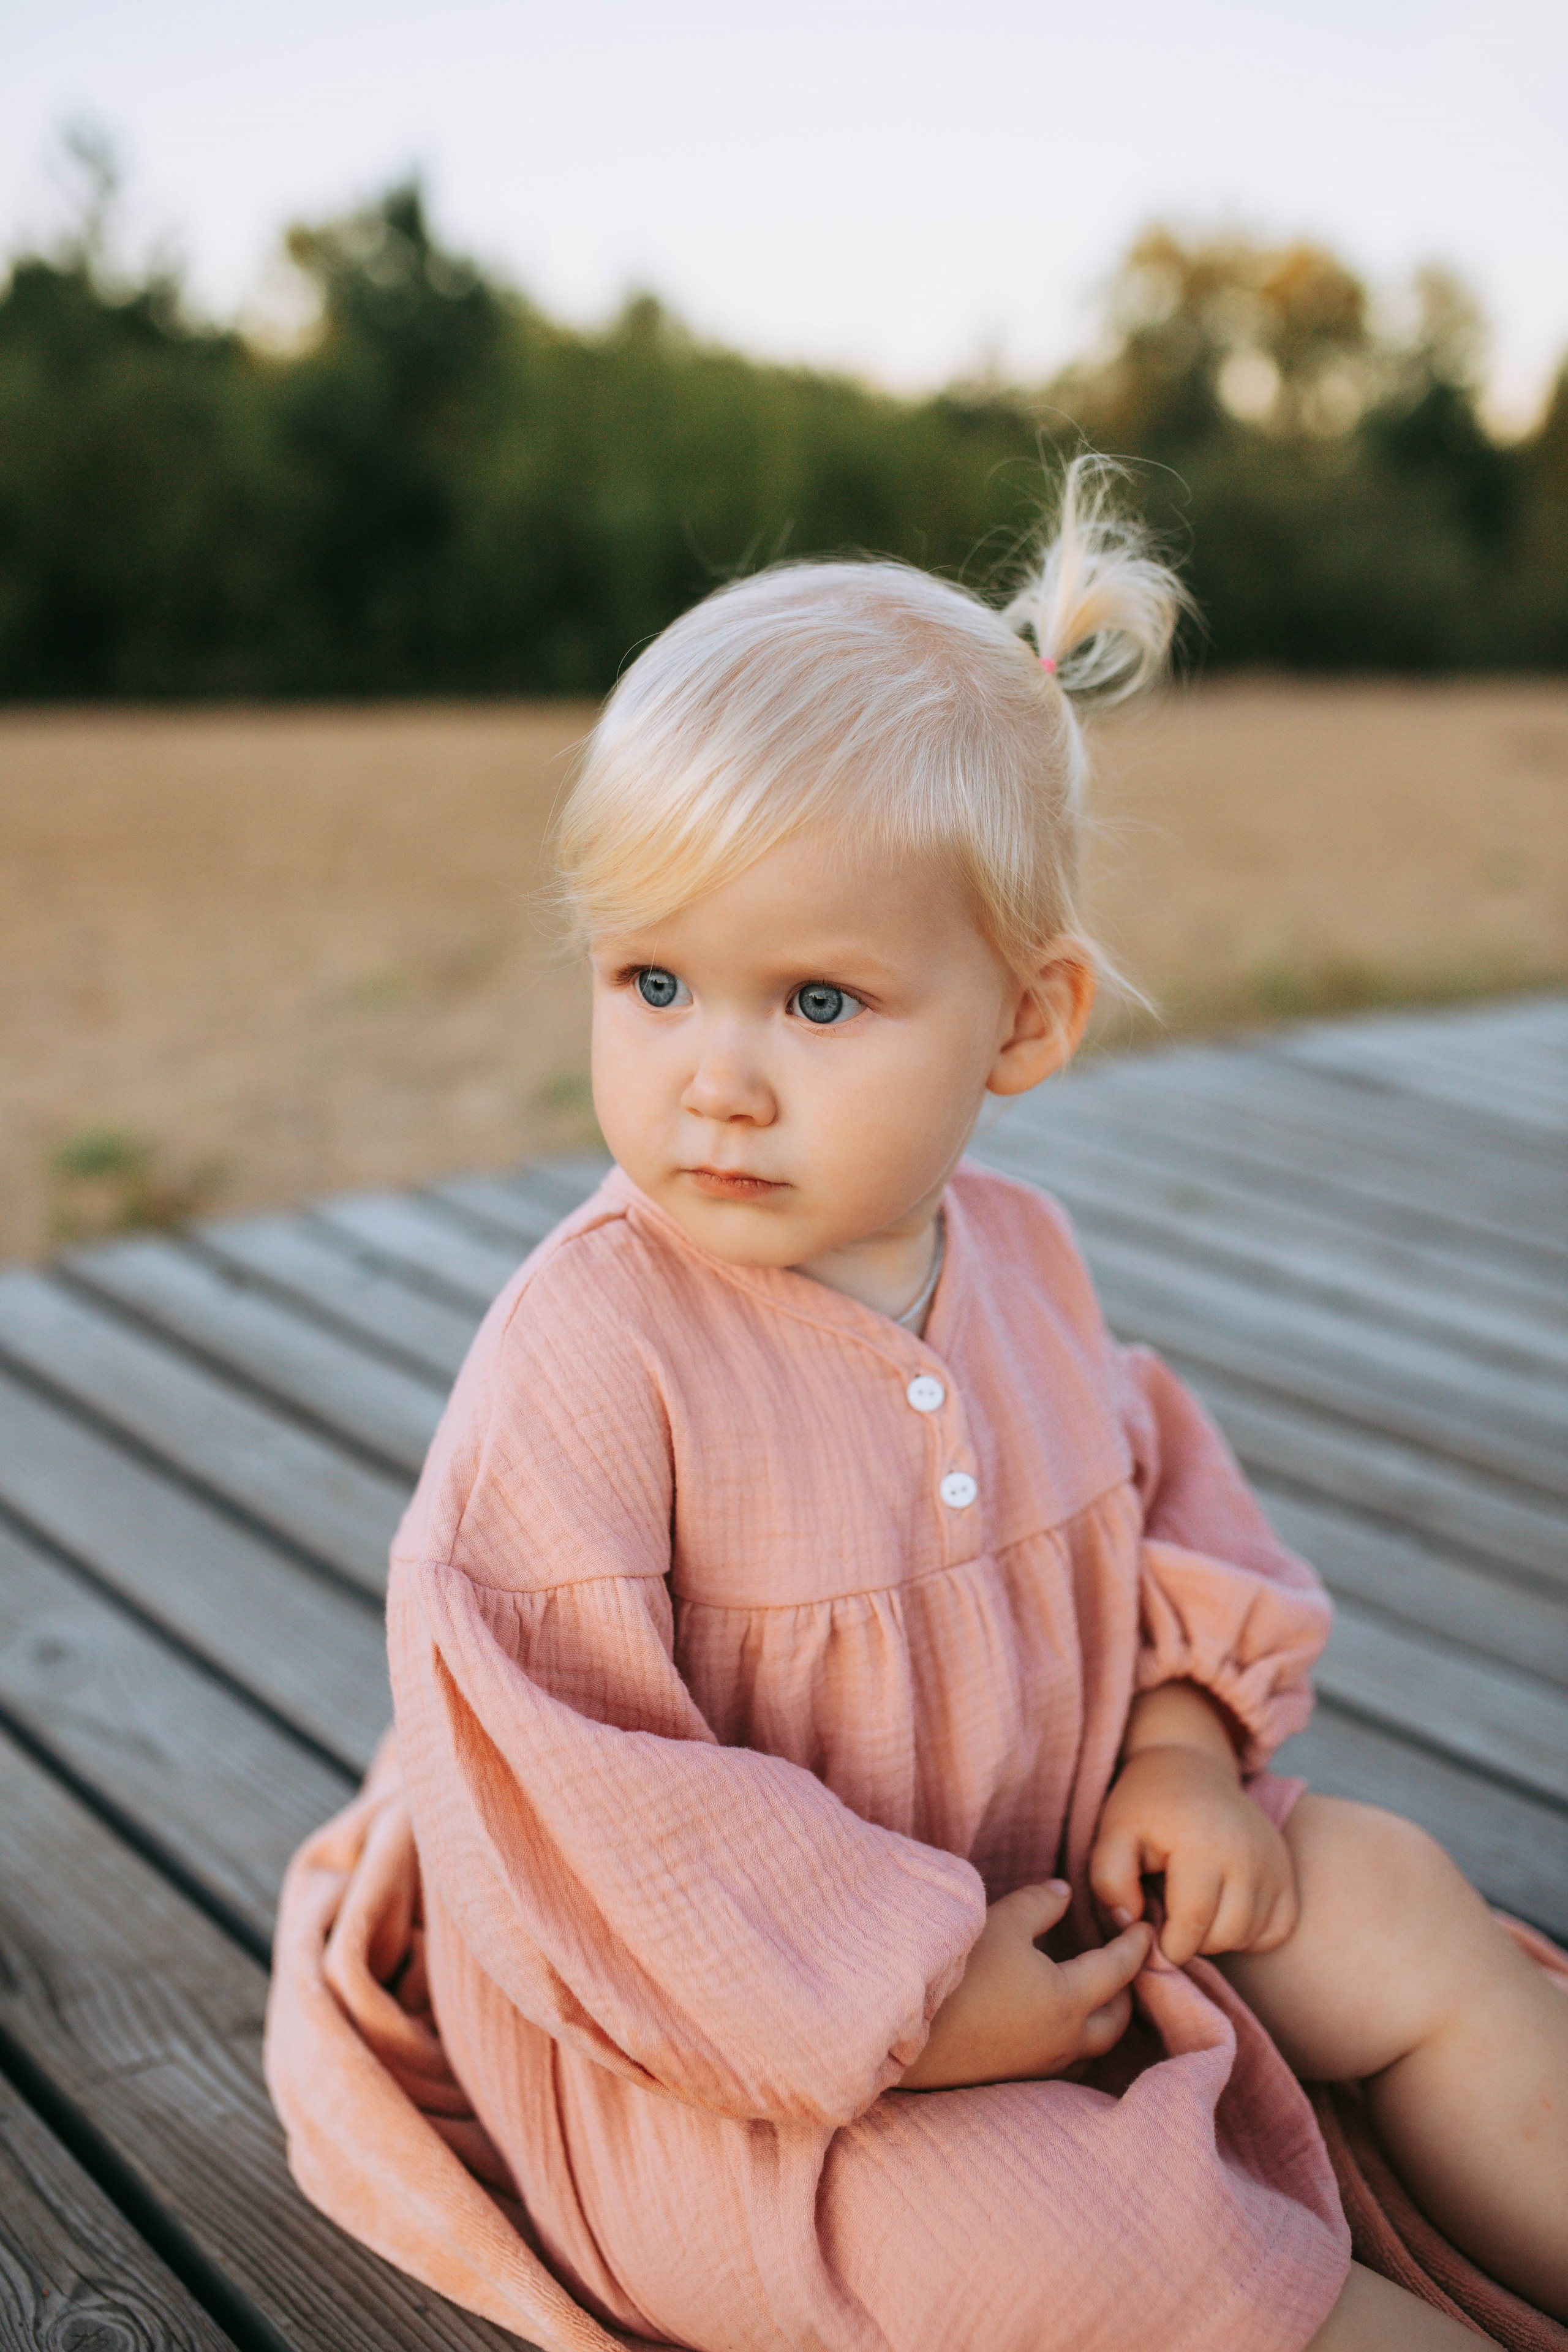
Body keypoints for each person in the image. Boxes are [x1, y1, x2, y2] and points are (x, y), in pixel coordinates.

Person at [267, 458, 1568, 2352]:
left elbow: (1164, 1503)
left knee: (1389, 1902)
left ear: (1024, 1023)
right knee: (1106, 2250)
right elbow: (591, 1804)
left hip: (1061, 1864)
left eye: (816, 1003)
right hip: (735, 2056)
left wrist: (1183, 1748)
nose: (716, 1079)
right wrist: (914, 2000)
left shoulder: (1022, 1263)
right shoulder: (594, 1355)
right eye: (655, 981)